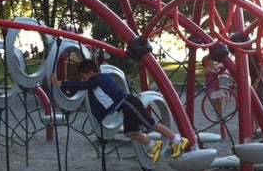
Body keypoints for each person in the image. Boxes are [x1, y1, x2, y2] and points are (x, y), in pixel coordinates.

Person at [49, 59, 188, 164]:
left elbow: (79, 85)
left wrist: (60, 83)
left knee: (151, 124)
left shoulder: (96, 80)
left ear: (90, 73)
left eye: (84, 76)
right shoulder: (102, 77)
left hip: (129, 104)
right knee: (130, 132)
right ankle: (153, 145)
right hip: (124, 107)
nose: (84, 80)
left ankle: (177, 140)